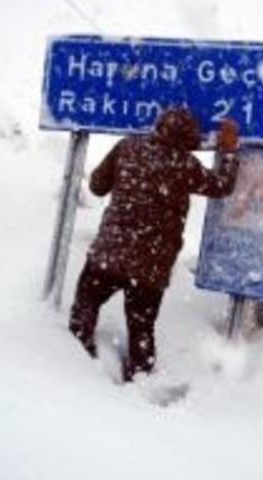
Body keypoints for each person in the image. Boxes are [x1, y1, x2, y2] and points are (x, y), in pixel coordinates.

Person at [69, 108, 240, 382]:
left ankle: (73, 364)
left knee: (85, 308)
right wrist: (230, 152)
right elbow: (221, 186)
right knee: (141, 328)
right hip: (151, 267)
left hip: (109, 255)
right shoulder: (185, 165)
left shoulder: (128, 147)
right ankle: (140, 380)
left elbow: (98, 186)